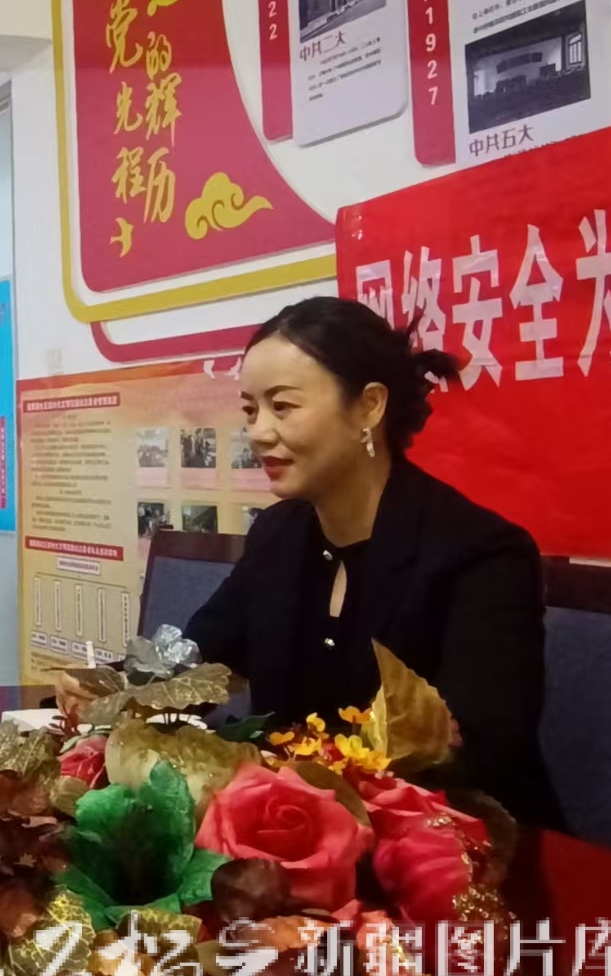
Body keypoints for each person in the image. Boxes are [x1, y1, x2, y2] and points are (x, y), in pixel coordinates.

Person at [183, 297, 560, 824]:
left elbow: (471, 748)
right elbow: (197, 663)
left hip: (454, 840)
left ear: (369, 407)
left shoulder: (481, 554)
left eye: (283, 406)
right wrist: (111, 692)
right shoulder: (277, 535)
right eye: (251, 410)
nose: (259, 432)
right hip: (299, 828)